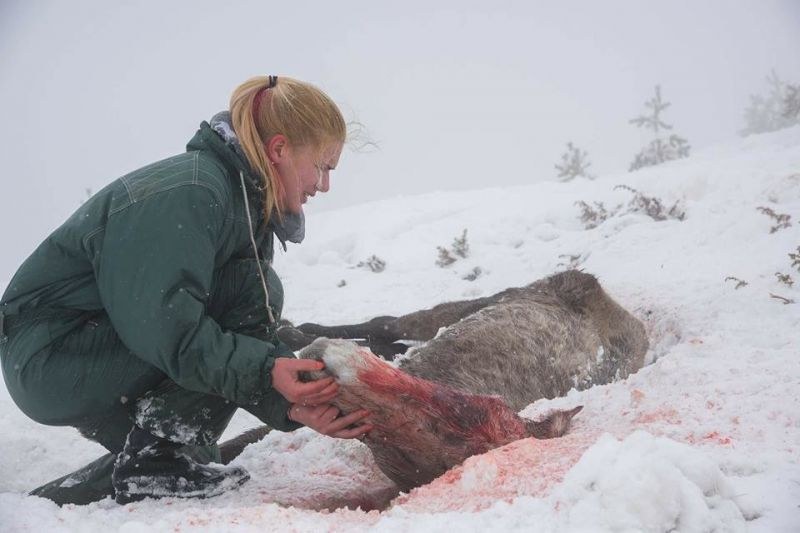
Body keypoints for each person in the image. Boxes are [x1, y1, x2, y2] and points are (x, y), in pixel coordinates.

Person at [0, 75, 372, 505]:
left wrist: (289, 406)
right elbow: (165, 325)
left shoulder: (242, 204)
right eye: (323, 166)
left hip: (91, 346)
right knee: (249, 291)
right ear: (280, 149)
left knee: (191, 452)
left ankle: (64, 496)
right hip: (53, 354)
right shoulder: (194, 191)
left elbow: (237, 332)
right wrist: (268, 372)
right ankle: (152, 460)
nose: (324, 185)